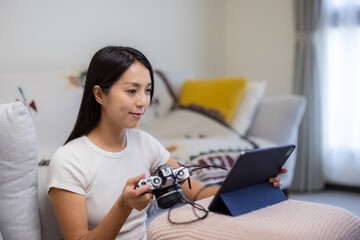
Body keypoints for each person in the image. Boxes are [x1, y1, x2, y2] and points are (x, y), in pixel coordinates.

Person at [47, 46, 287, 240]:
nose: (143, 102)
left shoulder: (145, 143)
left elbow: (197, 193)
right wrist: (124, 206)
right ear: (99, 95)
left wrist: (252, 182)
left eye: (148, 90)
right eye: (132, 91)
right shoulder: (69, 160)